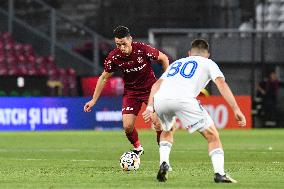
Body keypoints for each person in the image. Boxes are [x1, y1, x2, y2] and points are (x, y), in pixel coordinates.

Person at [142, 39, 246, 183]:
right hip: (183, 99)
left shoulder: (176, 63)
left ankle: (164, 162)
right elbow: (221, 83)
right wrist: (236, 109)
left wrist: (149, 106)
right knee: (213, 136)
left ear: (189, 53)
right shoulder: (209, 63)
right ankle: (219, 174)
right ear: (207, 54)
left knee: (167, 130)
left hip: (161, 99)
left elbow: (156, 84)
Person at [84, 26, 169, 156]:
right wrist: (94, 100)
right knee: (127, 126)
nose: (121, 47)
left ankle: (163, 157)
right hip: (131, 92)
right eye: (118, 44)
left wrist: (166, 79)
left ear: (130, 40)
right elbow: (104, 78)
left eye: (124, 44)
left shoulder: (142, 49)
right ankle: (138, 148)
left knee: (157, 123)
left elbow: (163, 58)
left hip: (150, 90)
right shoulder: (114, 57)